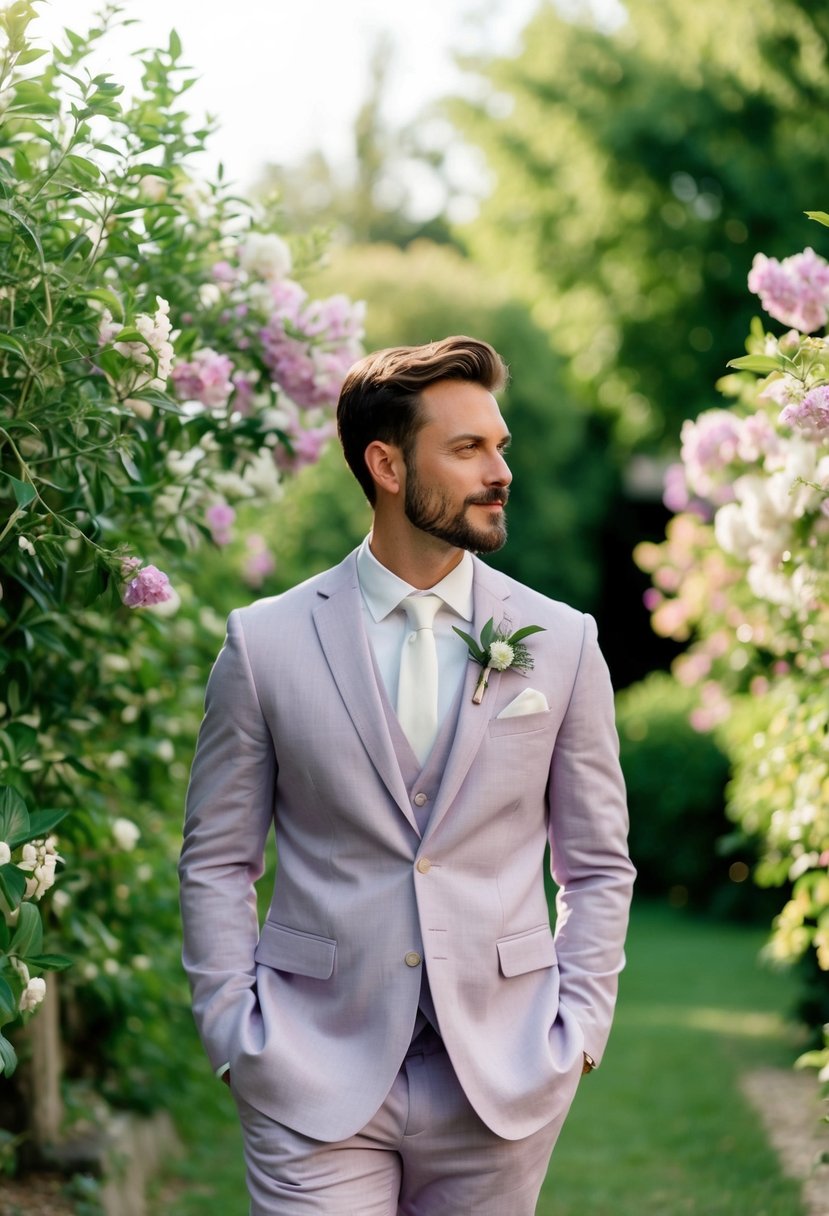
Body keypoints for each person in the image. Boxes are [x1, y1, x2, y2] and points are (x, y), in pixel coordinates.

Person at [179, 335, 635, 1215]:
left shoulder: (564, 642)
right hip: (310, 1066)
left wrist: (577, 1030)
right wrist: (233, 1033)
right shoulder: (264, 643)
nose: (498, 470)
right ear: (386, 464)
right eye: (466, 449)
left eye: (498, 445)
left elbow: (598, 863)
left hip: (500, 1075)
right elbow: (216, 859)